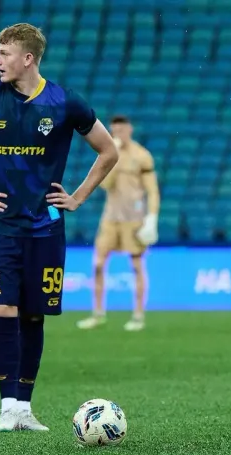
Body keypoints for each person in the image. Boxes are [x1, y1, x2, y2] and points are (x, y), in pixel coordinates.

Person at [0, 23, 118, 432]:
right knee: (3, 308)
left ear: (28, 58)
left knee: (34, 316)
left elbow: (108, 151)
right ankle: (7, 408)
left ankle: (24, 407)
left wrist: (78, 197)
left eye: (4, 54)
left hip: (46, 228)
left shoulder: (65, 101)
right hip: (0, 225)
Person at [77, 115, 159, 332]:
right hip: (111, 218)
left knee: (137, 266)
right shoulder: (109, 154)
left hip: (134, 219)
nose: (118, 134)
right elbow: (106, 185)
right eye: (114, 130)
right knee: (98, 264)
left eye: (121, 130)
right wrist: (115, 156)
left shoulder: (142, 156)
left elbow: (152, 190)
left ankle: (138, 315)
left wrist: (151, 219)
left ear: (129, 129)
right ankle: (98, 314)